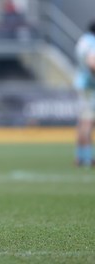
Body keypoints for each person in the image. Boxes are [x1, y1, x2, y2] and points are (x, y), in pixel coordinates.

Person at [74, 21, 95, 168]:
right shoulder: (91, 42)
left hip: (82, 84)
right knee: (88, 122)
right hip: (90, 86)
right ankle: (88, 159)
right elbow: (92, 62)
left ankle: (80, 156)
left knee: (82, 122)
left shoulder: (82, 41)